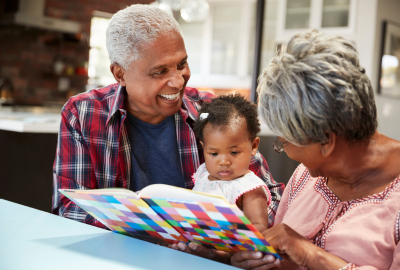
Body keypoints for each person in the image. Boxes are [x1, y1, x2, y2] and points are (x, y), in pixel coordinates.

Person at [52, 4, 284, 235]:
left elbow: (272, 197)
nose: (178, 81)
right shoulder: (82, 114)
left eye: (181, 64)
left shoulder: (212, 113)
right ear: (120, 74)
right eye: (160, 72)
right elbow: (70, 209)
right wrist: (159, 231)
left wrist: (242, 232)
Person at [230, 29, 400, 269]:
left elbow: (299, 250)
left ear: (326, 141)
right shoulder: (304, 178)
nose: (284, 150)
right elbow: (283, 256)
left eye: (284, 143)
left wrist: (311, 254)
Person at [191, 94, 271, 232]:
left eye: (234, 152)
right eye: (214, 154)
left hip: (229, 249)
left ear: (253, 146)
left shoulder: (249, 188)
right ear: (203, 147)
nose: (223, 162)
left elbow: (259, 228)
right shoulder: (203, 173)